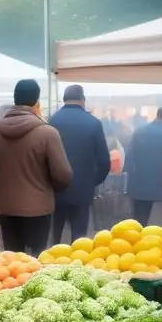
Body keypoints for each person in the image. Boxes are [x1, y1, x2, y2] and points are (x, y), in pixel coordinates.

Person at [0, 79, 72, 255]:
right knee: (37, 257)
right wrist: (48, 191)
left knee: (12, 260)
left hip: (6, 208)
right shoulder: (47, 133)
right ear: (37, 102)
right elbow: (63, 174)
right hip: (39, 208)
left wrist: (1, 190)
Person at [48, 84, 111, 243]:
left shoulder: (52, 121)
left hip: (56, 189)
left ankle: (53, 262)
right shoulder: (93, 123)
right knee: (79, 236)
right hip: (83, 189)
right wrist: (93, 181)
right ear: (83, 100)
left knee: (55, 234)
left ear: (64, 99)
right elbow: (104, 160)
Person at [124, 107, 162, 225]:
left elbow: (129, 156)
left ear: (157, 115)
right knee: (160, 226)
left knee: (139, 223)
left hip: (140, 185)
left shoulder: (139, 131)